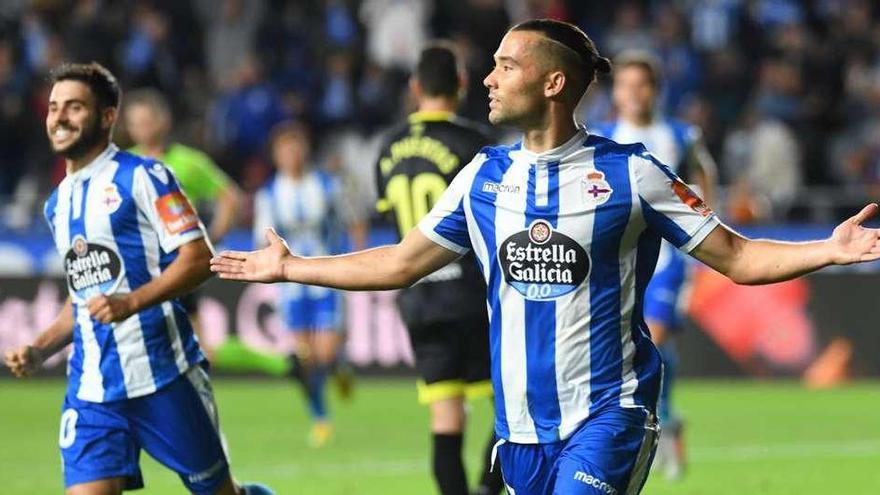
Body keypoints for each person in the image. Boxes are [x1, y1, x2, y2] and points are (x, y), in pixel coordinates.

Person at [210, 19, 880, 495]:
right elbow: (399, 262)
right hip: (520, 432)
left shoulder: (633, 174)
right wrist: (292, 266)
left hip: (608, 413)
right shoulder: (482, 176)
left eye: (507, 66)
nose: (489, 79)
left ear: (554, 83)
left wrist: (830, 248)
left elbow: (734, 255)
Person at [3, 62, 272, 495]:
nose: (60, 117)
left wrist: (131, 302)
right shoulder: (57, 204)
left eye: (74, 107)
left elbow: (199, 259)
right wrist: (40, 347)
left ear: (107, 117)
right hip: (91, 388)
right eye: (54, 108)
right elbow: (82, 297)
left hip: (163, 376)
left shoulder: (145, 176)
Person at [373, 42, 503, 495]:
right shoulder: (475, 145)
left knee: (445, 421)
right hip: (472, 295)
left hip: (420, 299)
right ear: (463, 84)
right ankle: (490, 488)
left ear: (415, 87)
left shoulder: (387, 147)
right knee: (512, 408)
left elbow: (391, 219)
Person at [592, 51, 717, 480]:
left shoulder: (680, 135)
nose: (633, 93)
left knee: (654, 340)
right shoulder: (602, 136)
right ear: (616, 92)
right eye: (625, 85)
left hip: (667, 261)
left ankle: (655, 423)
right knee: (634, 348)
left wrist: (701, 225)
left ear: (655, 90)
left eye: (641, 85)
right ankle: (665, 419)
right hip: (621, 262)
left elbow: (705, 176)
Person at [123, 88, 289, 377]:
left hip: (177, 268)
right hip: (138, 268)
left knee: (193, 351)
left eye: (147, 120)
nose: (142, 128)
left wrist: (210, 240)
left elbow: (230, 197)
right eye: (136, 122)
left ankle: (282, 364)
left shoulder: (187, 162)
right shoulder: (123, 164)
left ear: (163, 121)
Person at [254, 121, 363, 447]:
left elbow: (355, 221)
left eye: (296, 147)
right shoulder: (269, 194)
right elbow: (263, 238)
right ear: (276, 156)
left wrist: (357, 259)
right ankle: (321, 419)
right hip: (291, 285)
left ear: (304, 151)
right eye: (284, 150)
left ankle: (340, 364)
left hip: (327, 277)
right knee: (304, 358)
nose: (291, 154)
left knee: (325, 354)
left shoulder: (328, 186)